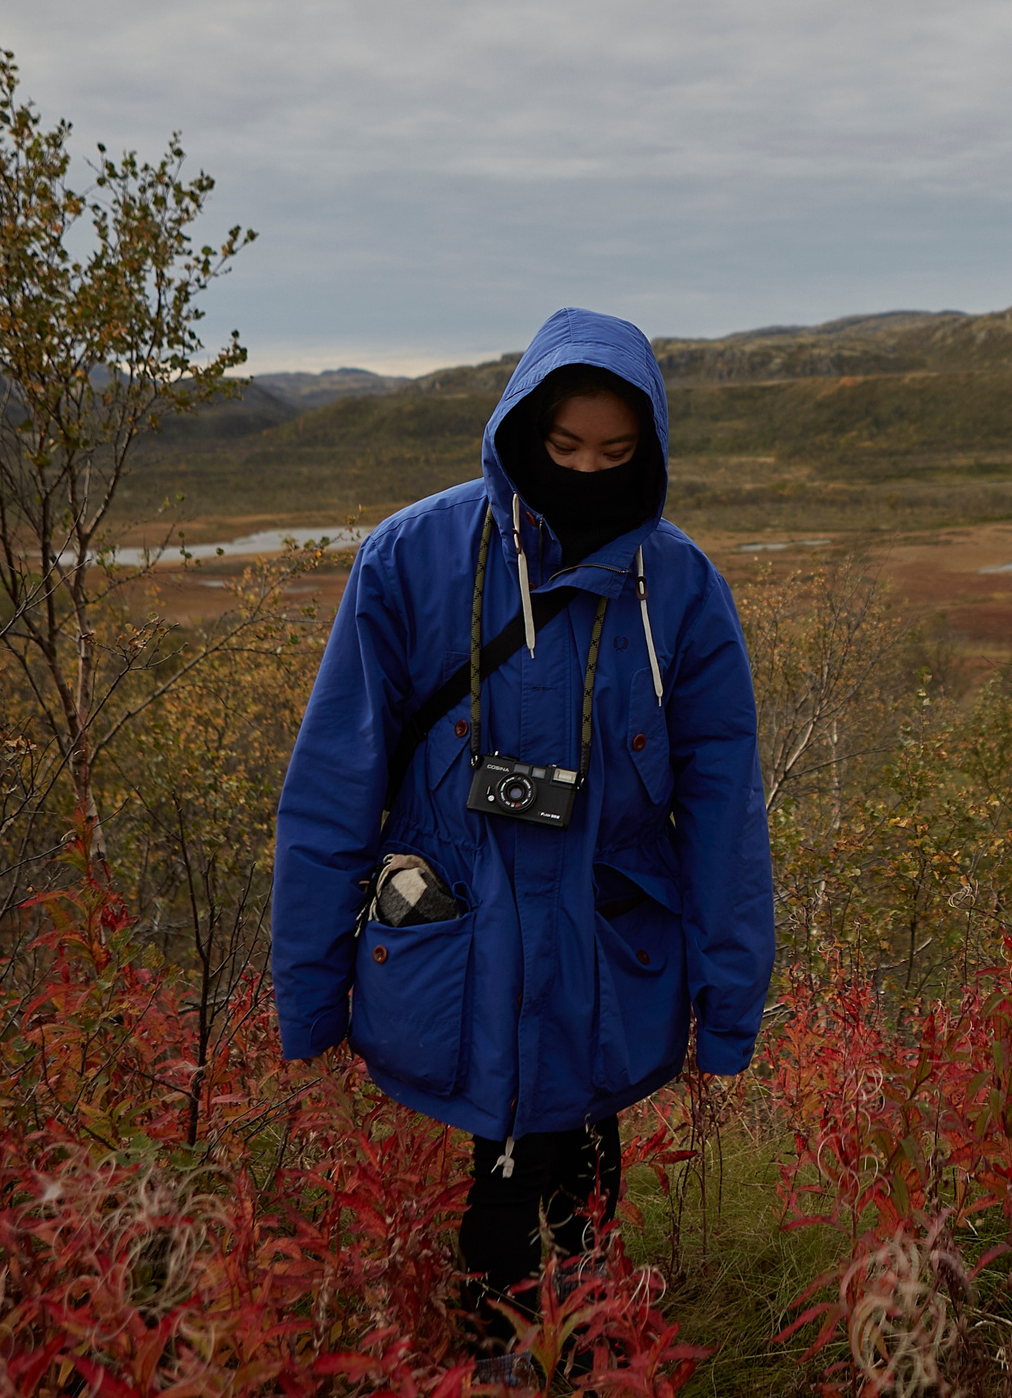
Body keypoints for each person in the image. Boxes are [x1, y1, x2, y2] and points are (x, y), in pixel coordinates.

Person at [269, 308, 773, 1372]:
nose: (587, 470)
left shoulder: (678, 591)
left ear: (651, 450)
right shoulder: (411, 559)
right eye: (563, 448)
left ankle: (568, 1363)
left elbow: (727, 817)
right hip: (455, 958)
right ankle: (506, 1365)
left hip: (609, 963)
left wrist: (730, 1011)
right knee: (501, 1204)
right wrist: (308, 1003)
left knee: (580, 1198)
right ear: (520, 429)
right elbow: (330, 793)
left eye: (615, 454)